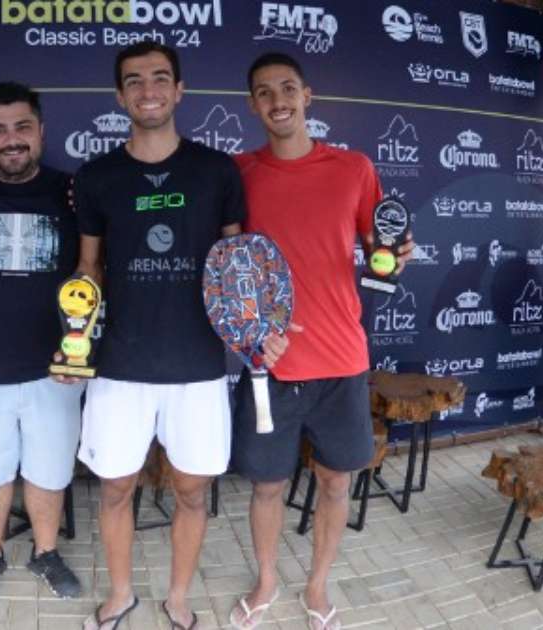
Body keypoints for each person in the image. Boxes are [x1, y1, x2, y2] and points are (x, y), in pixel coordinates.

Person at [229, 52, 413, 630]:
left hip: (341, 361)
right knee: (268, 485)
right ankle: (265, 582)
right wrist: (253, 334)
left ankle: (317, 586)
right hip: (269, 365)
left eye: (287, 88)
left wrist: (396, 258)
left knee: (336, 481)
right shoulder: (238, 172)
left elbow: (381, 249)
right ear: (252, 105)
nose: (277, 100)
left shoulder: (354, 168)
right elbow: (228, 270)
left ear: (308, 96)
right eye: (264, 92)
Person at [68, 41, 246, 630]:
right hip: (119, 366)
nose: (149, 90)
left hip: (198, 366)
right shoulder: (97, 177)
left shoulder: (217, 170)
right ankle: (120, 595)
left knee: (192, 493)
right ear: (120, 95)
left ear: (179, 90)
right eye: (135, 81)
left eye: (160, 78)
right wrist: (75, 336)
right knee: (115, 490)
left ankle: (177, 598)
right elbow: (88, 270)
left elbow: (236, 263)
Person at [0, 82, 83, 603]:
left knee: (49, 468)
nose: (12, 139)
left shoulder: (74, 192)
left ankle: (46, 553)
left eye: (23, 127)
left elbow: (95, 273)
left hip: (56, 367)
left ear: (42, 132)